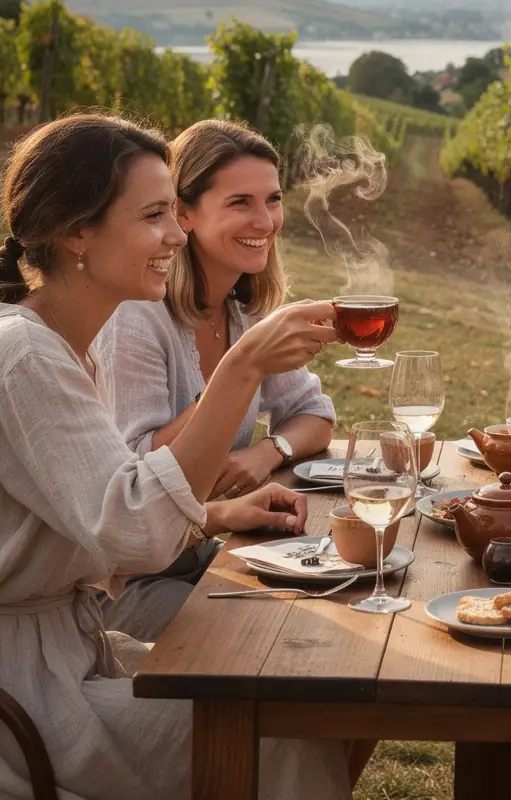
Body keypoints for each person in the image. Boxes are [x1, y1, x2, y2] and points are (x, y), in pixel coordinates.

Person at [0, 114, 351, 800]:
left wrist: (217, 509)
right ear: (78, 232)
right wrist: (240, 370)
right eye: (156, 215)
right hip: (27, 698)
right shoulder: (26, 357)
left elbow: (110, 523)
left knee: (297, 687)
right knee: (285, 723)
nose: (178, 233)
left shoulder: (69, 346)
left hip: (70, 654)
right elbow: (136, 531)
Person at [93, 120, 335, 641]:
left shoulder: (241, 313)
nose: (265, 220)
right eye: (240, 202)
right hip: (128, 585)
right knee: (281, 638)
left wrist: (268, 453)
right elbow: (137, 463)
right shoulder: (139, 316)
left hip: (198, 551)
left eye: (272, 199)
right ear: (183, 214)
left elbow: (317, 415)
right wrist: (236, 374)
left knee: (329, 615)